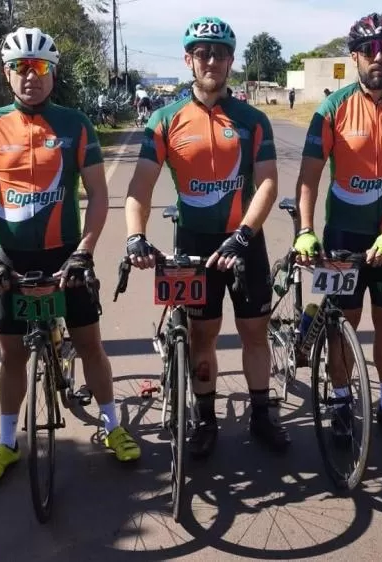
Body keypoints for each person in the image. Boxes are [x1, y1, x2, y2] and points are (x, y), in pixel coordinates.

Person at [0, 26, 141, 484]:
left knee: (90, 344)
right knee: (12, 356)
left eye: (39, 67)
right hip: (11, 259)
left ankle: (113, 426)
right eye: (21, 67)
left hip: (66, 255)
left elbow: (99, 195)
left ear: (53, 74)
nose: (30, 76)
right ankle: (6, 443)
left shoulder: (75, 124)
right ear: (7, 73)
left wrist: (85, 251)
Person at [123, 16, 287, 457]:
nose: (211, 60)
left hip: (244, 244)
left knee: (255, 332)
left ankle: (259, 416)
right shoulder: (165, 119)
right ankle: (207, 420)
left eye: (219, 53)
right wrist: (135, 236)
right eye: (202, 53)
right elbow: (139, 189)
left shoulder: (253, 120)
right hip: (193, 246)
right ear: (189, 60)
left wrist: (244, 235)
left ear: (231, 60)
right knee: (202, 337)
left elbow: (268, 183)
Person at [293, 13, 382, 441]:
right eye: (370, 50)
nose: (379, 57)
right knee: (342, 325)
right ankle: (340, 402)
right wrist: (304, 229)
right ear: (354, 56)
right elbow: (309, 177)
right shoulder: (332, 108)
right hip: (343, 238)